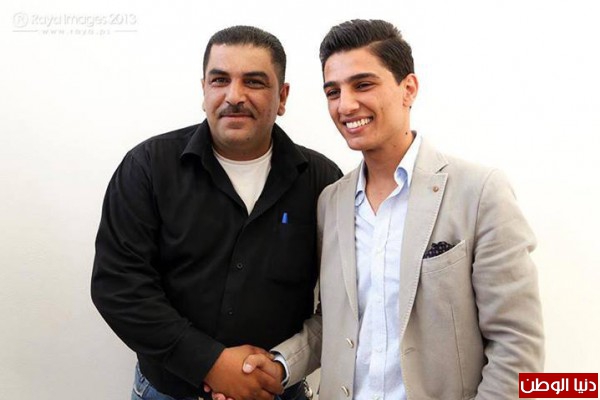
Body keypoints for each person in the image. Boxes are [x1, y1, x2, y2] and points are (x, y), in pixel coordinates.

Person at [243, 19, 544, 399]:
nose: (345, 105)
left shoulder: (479, 192)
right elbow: (337, 322)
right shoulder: (332, 201)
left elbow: (516, 344)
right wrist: (279, 364)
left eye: (363, 85)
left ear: (408, 89)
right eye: (333, 91)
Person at [91, 25, 341, 400]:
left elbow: (344, 300)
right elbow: (118, 285)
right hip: (169, 391)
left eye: (254, 82)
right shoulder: (148, 167)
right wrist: (211, 364)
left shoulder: (322, 181)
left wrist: (279, 366)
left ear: (282, 96)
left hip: (276, 390)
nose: (234, 96)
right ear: (204, 89)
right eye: (220, 80)